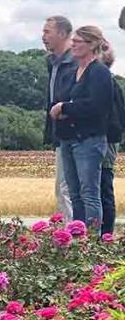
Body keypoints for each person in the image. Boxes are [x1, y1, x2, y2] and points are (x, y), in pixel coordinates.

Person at [49, 25, 115, 236]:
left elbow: (96, 106)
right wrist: (64, 107)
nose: (73, 45)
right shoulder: (71, 72)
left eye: (78, 42)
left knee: (89, 193)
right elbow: (60, 98)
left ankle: (93, 240)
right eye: (73, 41)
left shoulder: (100, 72)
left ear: (92, 44)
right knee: (75, 193)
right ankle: (79, 238)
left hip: (89, 140)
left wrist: (66, 108)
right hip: (67, 139)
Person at [42, 15, 76, 219]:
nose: (43, 36)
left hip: (73, 132)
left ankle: (73, 239)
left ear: (62, 34)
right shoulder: (52, 62)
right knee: (64, 188)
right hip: (60, 132)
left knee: (66, 189)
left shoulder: (73, 62)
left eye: (47, 32)